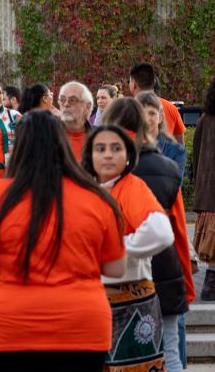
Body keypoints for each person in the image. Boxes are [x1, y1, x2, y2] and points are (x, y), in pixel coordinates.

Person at [0, 110, 125, 372]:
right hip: (80, 328)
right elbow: (115, 269)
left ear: (17, 149)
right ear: (65, 146)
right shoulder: (97, 200)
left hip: (3, 328)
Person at [81, 125, 175, 371]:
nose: (108, 155)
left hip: (132, 303)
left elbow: (161, 232)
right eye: (100, 149)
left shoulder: (131, 187)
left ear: (128, 155)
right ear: (89, 155)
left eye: (116, 148)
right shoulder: (81, 189)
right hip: (87, 302)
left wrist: (115, 249)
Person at [193, 78, 215, 300]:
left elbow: (197, 156)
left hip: (208, 190)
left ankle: (210, 284)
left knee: (211, 241)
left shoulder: (204, 120)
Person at [129, 63, 186, 144]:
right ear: (153, 82)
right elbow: (180, 144)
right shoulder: (171, 108)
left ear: (133, 84)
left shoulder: (127, 110)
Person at [136, 91, 187, 178]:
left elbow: (173, 184)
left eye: (152, 113)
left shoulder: (176, 151)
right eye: (141, 113)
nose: (146, 118)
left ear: (160, 118)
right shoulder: (127, 148)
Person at [59, 81, 94, 161]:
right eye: (62, 100)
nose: (66, 104)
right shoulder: (48, 136)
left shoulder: (100, 137)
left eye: (72, 100)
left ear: (87, 106)